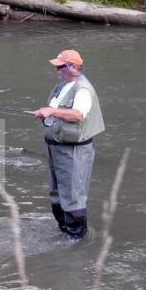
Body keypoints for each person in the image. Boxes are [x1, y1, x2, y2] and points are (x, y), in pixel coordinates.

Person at [31, 50, 105, 240]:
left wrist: (51, 111)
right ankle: (64, 232)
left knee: (73, 197)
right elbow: (57, 113)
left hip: (74, 151)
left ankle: (76, 240)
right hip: (56, 148)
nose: (56, 70)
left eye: (60, 67)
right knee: (56, 195)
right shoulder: (63, 86)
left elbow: (78, 115)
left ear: (73, 67)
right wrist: (46, 113)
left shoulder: (83, 89)